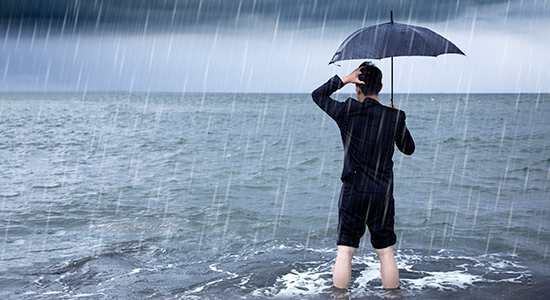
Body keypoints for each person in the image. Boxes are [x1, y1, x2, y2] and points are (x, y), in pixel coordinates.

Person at [311, 61, 415, 290]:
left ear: (358, 88)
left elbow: (317, 95)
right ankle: (392, 297)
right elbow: (408, 148)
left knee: (346, 252)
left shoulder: (347, 111)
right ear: (381, 87)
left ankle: (340, 297)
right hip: (382, 194)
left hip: (353, 191)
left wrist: (344, 79)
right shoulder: (394, 117)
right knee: (386, 253)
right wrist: (398, 119)